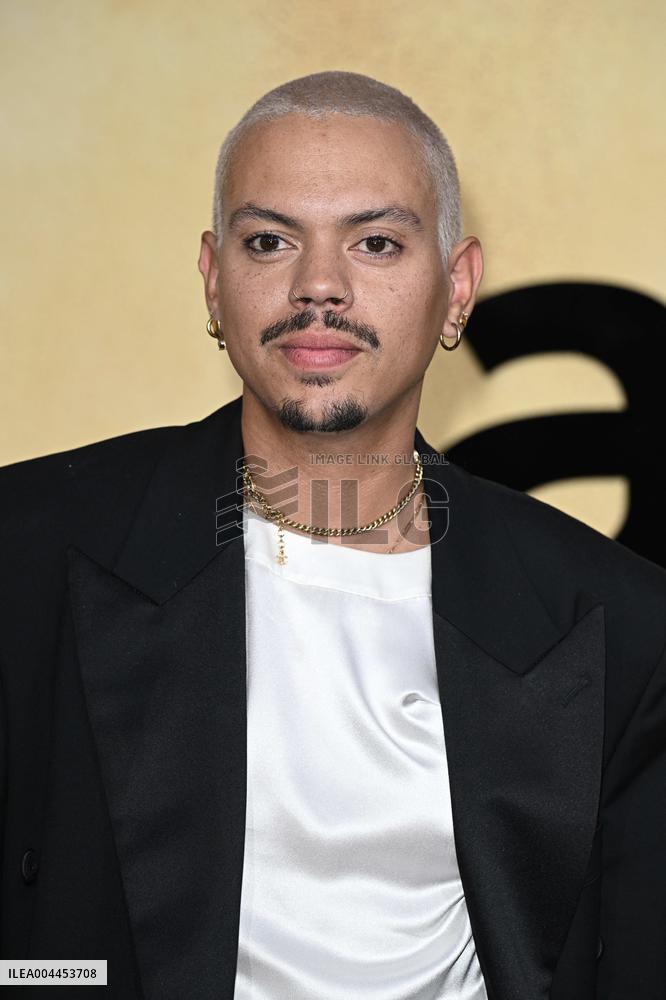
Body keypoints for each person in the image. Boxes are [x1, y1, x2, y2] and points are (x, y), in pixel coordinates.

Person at [1, 71, 665, 1000]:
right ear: (212, 277)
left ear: (458, 286)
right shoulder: (27, 549)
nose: (319, 286)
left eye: (377, 243)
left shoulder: (614, 618)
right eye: (269, 241)